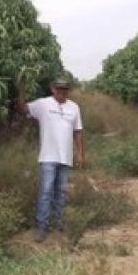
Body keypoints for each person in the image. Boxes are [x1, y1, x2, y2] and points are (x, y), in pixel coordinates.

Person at [16, 77, 85, 242]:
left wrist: (80, 153)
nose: (62, 92)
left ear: (68, 91)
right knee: (46, 191)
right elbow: (22, 109)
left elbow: (78, 132)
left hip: (66, 157)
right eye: (58, 88)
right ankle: (42, 227)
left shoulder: (74, 107)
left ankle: (59, 224)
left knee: (61, 191)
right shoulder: (43, 104)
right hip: (48, 156)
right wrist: (21, 90)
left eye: (65, 89)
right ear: (52, 89)